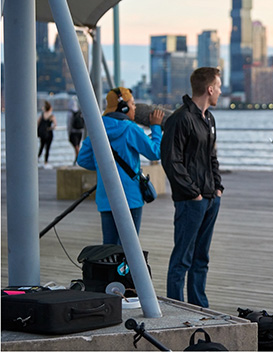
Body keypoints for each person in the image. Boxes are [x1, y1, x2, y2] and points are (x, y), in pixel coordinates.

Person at [161, 67, 224, 308]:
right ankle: (176, 307)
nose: (220, 91)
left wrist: (217, 188)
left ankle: (200, 306)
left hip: (210, 198)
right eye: (218, 87)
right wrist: (193, 193)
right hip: (191, 201)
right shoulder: (181, 119)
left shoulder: (209, 118)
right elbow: (171, 160)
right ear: (209, 89)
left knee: (201, 258)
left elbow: (212, 156)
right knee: (182, 258)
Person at [77, 87, 163, 245]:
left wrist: (104, 166)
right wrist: (156, 127)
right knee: (130, 246)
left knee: (109, 246)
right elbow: (155, 152)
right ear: (124, 107)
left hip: (106, 196)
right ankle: (126, 271)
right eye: (132, 103)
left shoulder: (97, 129)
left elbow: (82, 159)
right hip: (130, 197)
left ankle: (109, 270)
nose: (135, 107)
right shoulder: (130, 129)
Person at [37, 100, 57, 169]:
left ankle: (37, 160)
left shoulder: (42, 115)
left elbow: (37, 123)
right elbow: (55, 124)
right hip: (49, 133)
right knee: (47, 149)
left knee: (41, 147)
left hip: (42, 134)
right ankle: (46, 163)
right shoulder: (51, 116)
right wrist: (50, 128)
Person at [67, 96, 85, 165]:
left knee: (76, 146)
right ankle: (77, 159)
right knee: (77, 145)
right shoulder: (79, 111)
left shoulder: (70, 112)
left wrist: (69, 132)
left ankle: (78, 159)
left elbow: (69, 123)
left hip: (73, 131)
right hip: (80, 131)